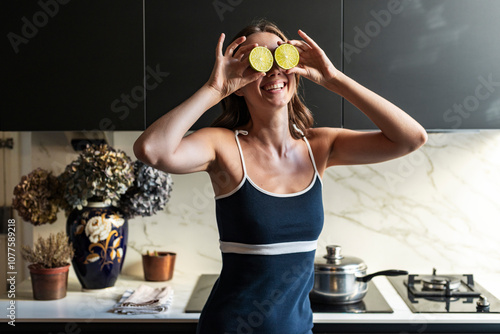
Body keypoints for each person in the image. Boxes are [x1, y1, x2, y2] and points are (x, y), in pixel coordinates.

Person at [134, 19, 427, 334]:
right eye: (256, 61)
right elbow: (152, 150)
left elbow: (411, 138)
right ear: (239, 81)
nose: (272, 68)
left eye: (280, 55)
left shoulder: (321, 146)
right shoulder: (221, 145)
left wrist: (333, 78)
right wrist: (214, 89)